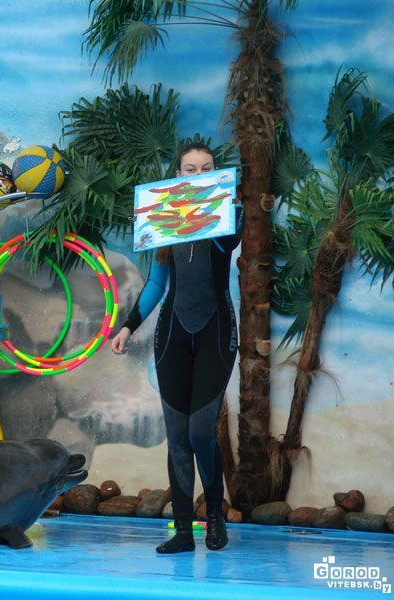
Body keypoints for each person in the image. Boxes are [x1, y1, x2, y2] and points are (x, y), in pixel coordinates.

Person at [111, 142, 243, 554]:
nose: (198, 174)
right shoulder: (164, 220)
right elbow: (157, 282)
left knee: (201, 431)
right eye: (190, 169)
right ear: (178, 174)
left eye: (206, 168)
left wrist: (222, 205)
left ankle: (215, 519)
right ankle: (184, 531)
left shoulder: (227, 215)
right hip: (173, 333)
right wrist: (128, 326)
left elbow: (228, 243)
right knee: (177, 435)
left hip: (215, 331)